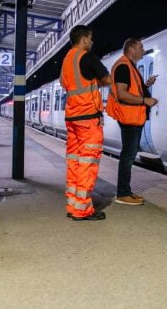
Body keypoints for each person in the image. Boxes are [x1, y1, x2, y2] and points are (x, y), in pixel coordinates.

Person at [60, 25, 112, 221]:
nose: (92, 42)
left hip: (72, 118)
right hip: (88, 118)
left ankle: (73, 205)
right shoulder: (87, 56)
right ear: (83, 39)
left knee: (74, 162)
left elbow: (66, 83)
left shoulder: (67, 60)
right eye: (91, 38)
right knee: (87, 163)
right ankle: (82, 210)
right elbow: (106, 78)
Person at [106, 38, 158, 206]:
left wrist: (146, 85)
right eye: (140, 47)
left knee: (129, 154)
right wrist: (145, 100)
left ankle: (126, 191)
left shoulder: (130, 66)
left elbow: (132, 89)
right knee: (128, 155)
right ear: (131, 49)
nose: (143, 50)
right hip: (129, 117)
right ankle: (122, 193)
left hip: (133, 117)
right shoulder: (123, 66)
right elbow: (122, 94)